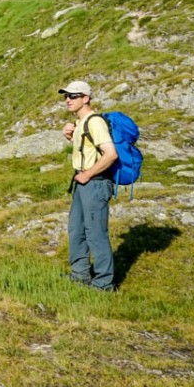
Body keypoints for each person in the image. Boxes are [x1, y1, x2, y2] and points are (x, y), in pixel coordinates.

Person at [59, 80, 118, 291]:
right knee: (76, 229)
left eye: (73, 96)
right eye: (66, 96)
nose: (68, 100)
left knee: (95, 233)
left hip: (95, 183)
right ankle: (80, 275)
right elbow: (88, 150)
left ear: (86, 98)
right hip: (83, 182)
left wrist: (88, 174)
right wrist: (70, 136)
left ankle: (103, 284)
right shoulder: (81, 123)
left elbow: (111, 154)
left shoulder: (94, 122)